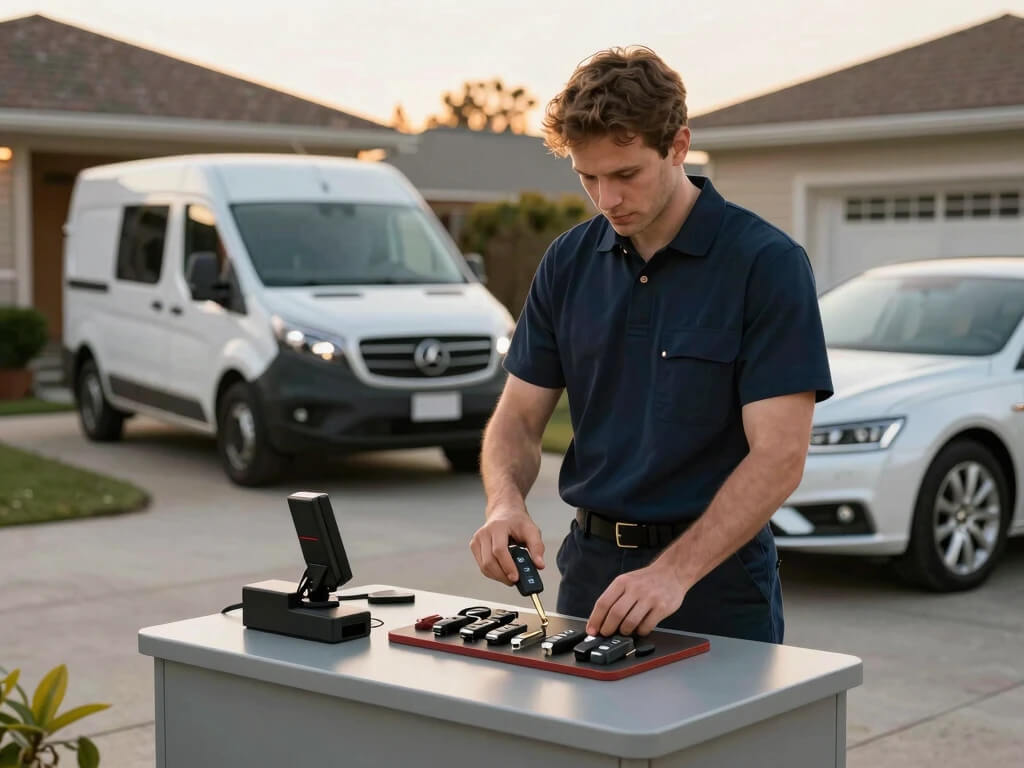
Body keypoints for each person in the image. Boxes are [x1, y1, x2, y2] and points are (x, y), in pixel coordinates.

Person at [469, 46, 833, 643]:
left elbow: (780, 456)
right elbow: (518, 420)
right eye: (588, 177)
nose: (606, 199)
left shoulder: (765, 264)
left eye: (625, 174)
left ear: (678, 146)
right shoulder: (567, 262)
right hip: (589, 575)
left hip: (717, 583)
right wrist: (504, 503)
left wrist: (673, 573)